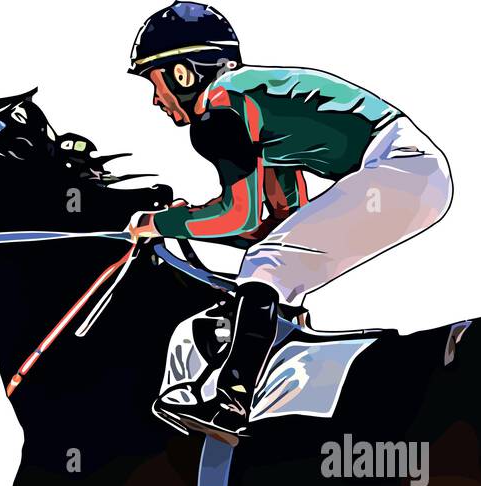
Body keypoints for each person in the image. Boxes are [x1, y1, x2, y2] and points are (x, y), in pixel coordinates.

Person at [127, 3, 452, 435]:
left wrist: (160, 223)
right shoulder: (252, 107)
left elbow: (237, 215)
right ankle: (278, 360)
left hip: (400, 168)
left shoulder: (218, 112)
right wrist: (191, 223)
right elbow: (275, 222)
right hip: (410, 169)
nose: (155, 99)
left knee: (268, 264)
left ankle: (232, 402)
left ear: (182, 74)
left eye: (154, 82)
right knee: (273, 261)